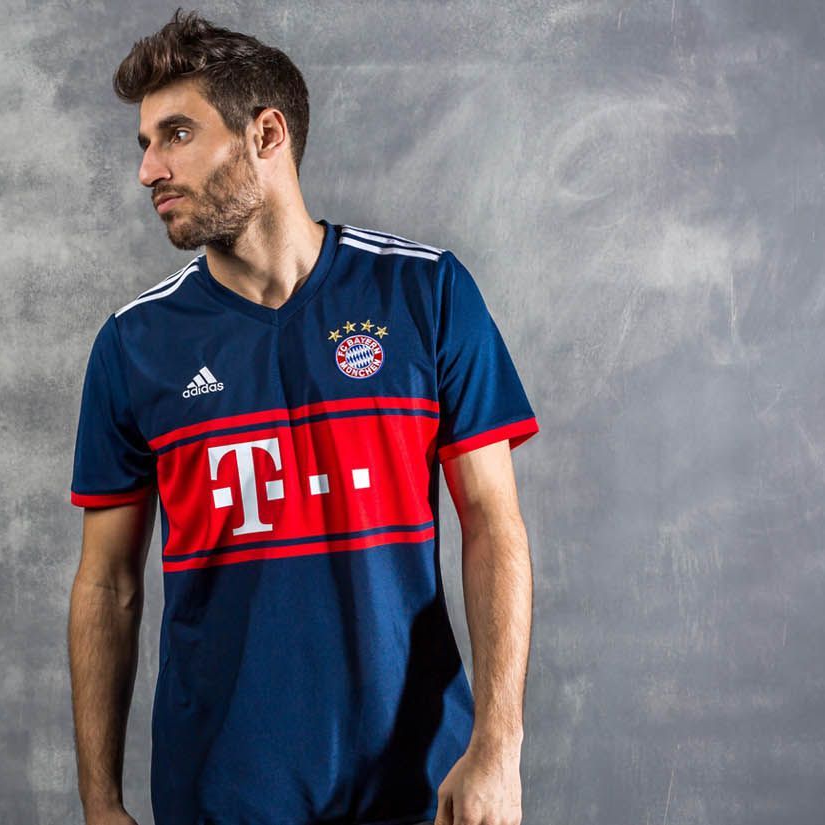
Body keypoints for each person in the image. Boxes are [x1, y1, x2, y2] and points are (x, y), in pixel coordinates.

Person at [67, 9, 537, 825]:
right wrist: (99, 803)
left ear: (266, 134)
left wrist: (497, 745)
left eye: (176, 134)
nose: (148, 169)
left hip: (418, 785)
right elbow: (107, 583)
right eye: (144, 143)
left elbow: (492, 524)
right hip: (220, 795)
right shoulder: (132, 344)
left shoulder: (424, 293)